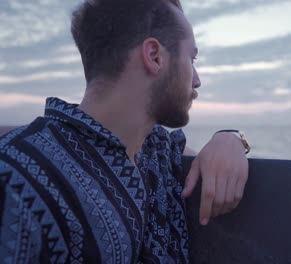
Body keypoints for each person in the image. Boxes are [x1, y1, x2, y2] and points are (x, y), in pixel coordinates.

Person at [0, 0, 249, 262]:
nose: (197, 79)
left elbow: (198, 155)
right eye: (191, 58)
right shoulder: (16, 178)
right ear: (154, 56)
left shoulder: (155, 151)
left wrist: (231, 139)